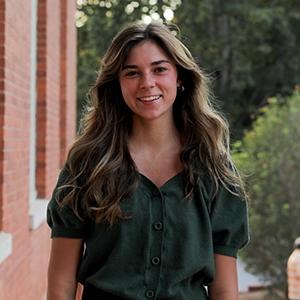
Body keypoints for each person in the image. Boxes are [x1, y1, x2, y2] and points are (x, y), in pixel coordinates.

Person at [46, 22, 249, 300]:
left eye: (159, 69)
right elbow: (61, 282)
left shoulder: (214, 169)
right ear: (117, 83)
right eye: (132, 72)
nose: (147, 83)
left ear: (180, 77)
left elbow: (225, 290)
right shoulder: (87, 164)